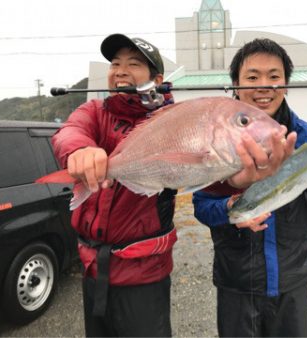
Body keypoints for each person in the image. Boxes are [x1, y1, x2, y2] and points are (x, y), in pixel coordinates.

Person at [52, 34, 293, 337]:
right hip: (93, 268)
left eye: (134, 64)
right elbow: (70, 132)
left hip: (144, 271)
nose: (121, 70)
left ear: (157, 79)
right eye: (115, 64)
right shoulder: (95, 112)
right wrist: (79, 151)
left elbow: (207, 180)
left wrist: (237, 182)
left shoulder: (176, 117)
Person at [193, 38, 307, 337]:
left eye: (274, 77)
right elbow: (201, 206)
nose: (264, 86)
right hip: (237, 279)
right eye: (252, 77)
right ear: (235, 85)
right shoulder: (215, 142)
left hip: (292, 279)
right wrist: (229, 209)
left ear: (286, 85)